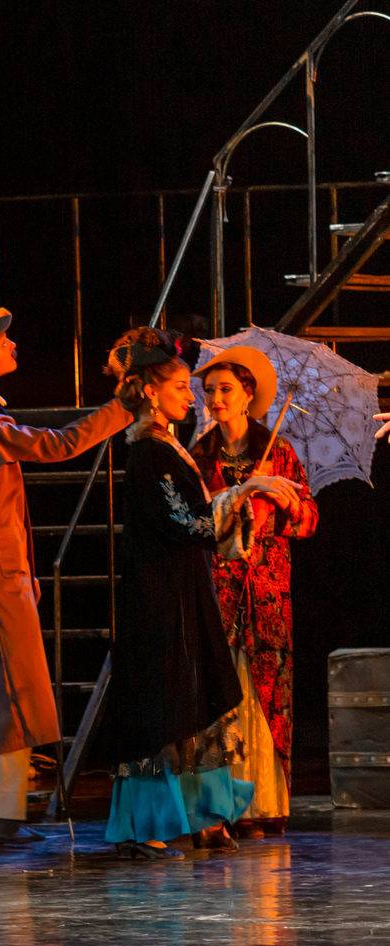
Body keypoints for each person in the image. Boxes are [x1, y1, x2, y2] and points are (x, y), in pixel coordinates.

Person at [0, 308, 131, 845]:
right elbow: (58, 445)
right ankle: (3, 816)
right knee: (12, 690)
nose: (12, 346)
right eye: (2, 342)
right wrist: (123, 407)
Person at [98, 327, 299, 860]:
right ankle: (147, 823)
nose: (193, 398)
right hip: (159, 596)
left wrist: (250, 494)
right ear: (149, 391)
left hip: (182, 589)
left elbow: (201, 525)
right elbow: (188, 523)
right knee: (163, 706)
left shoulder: (166, 447)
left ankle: (205, 814)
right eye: (182, 387)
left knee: (196, 699)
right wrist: (246, 488)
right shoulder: (149, 451)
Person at [190, 348, 318, 837]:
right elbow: (193, 520)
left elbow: (309, 519)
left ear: (248, 396)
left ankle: (264, 805)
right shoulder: (200, 455)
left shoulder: (277, 451)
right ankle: (222, 807)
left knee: (266, 694)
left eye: (226, 390)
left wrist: (281, 505)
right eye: (209, 391)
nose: (216, 399)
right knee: (222, 699)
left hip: (265, 592)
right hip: (219, 590)